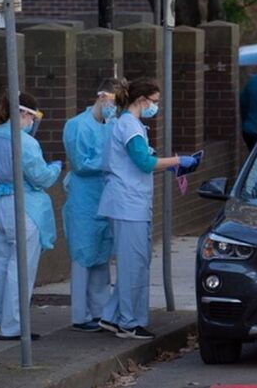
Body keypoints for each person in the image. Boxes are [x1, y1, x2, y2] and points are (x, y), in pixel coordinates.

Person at [97, 78, 195, 340]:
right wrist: (176, 161)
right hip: (128, 205)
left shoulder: (130, 124)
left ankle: (111, 316)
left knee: (134, 261)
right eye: (154, 102)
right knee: (134, 265)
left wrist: (172, 166)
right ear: (142, 100)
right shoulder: (129, 125)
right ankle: (129, 323)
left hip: (129, 203)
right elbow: (143, 161)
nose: (155, 107)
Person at [0, 92, 61, 341]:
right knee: (20, 268)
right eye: (33, 117)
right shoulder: (25, 142)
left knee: (1, 265)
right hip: (25, 208)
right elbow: (40, 177)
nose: (33, 123)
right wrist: (54, 168)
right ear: (24, 113)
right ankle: (12, 326)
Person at [62, 79, 123, 332]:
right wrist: (111, 160)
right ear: (102, 97)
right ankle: (80, 315)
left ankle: (100, 311)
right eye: (114, 103)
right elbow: (80, 163)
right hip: (84, 199)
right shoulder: (77, 126)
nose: (115, 109)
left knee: (100, 256)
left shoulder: (112, 125)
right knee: (83, 255)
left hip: (104, 196)